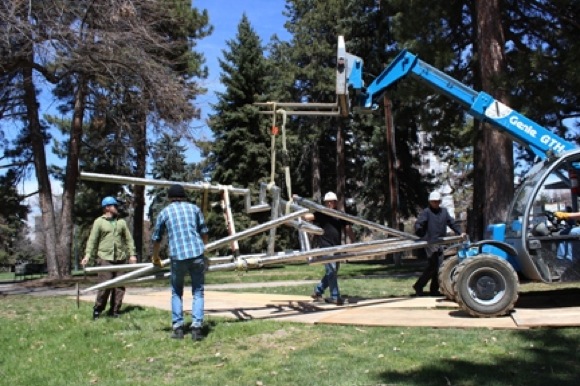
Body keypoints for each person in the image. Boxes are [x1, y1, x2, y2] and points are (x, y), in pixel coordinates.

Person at [151, 184, 209, 341]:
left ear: (170, 198)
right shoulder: (194, 209)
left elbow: (156, 238)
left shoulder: (165, 212)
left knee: (176, 291)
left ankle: (178, 328)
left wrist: (155, 257)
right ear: (184, 196)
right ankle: (196, 327)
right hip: (197, 254)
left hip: (177, 256)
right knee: (198, 291)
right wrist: (204, 250)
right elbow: (204, 232)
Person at [81, 196, 137, 319]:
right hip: (105, 258)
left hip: (120, 258)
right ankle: (98, 309)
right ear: (107, 207)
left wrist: (132, 254)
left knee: (119, 286)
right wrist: (87, 255)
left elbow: (129, 239)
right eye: (115, 206)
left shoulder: (121, 222)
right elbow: (92, 240)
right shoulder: (99, 222)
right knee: (105, 286)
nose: (117, 208)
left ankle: (115, 310)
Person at [303, 191, 356, 305]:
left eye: (331, 202)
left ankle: (318, 290)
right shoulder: (322, 213)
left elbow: (347, 228)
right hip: (325, 246)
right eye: (327, 202)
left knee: (333, 272)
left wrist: (353, 241)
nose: (329, 204)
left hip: (337, 247)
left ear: (335, 203)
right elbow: (308, 216)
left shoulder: (340, 214)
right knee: (331, 270)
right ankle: (335, 296)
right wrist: (295, 211)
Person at [413, 191, 465, 296]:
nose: (435, 204)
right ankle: (420, 286)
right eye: (433, 202)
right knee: (434, 265)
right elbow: (419, 224)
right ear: (430, 202)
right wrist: (421, 234)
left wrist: (460, 232)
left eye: (437, 202)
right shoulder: (426, 212)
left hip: (442, 242)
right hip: (430, 242)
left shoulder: (444, 212)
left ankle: (432, 289)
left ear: (440, 202)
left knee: (439, 266)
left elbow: (452, 223)